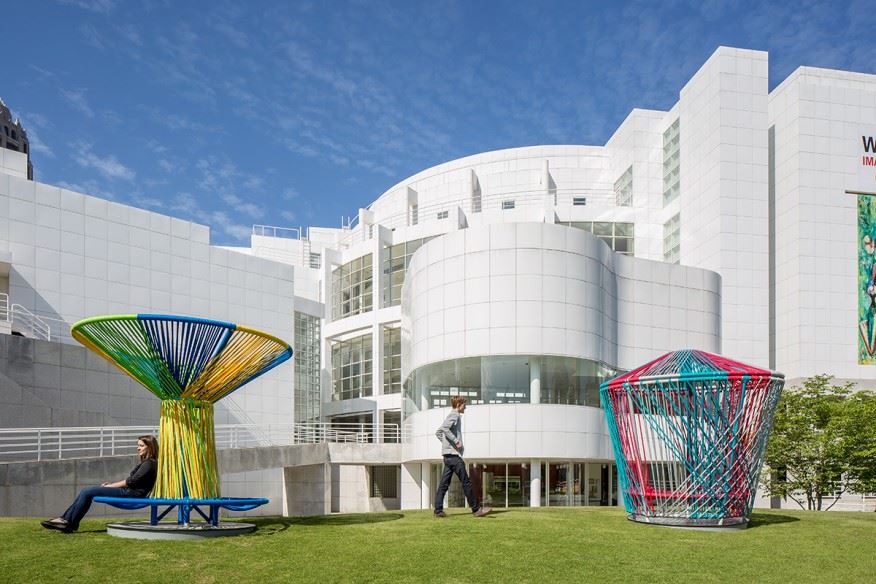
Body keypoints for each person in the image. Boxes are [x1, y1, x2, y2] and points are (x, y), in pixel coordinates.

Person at [41, 435, 158, 533]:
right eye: (138, 445)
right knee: (87, 492)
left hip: (132, 493)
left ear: (150, 447)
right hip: (131, 491)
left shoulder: (149, 463)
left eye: (141, 446)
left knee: (88, 491)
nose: (138, 448)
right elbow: (132, 480)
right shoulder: (148, 463)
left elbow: (131, 481)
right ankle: (67, 521)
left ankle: (68, 521)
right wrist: (111, 485)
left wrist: (110, 486)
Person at [434, 396, 491, 518]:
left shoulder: (452, 415)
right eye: (465, 404)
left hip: (448, 457)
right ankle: (476, 510)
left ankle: (438, 510)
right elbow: (444, 428)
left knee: (444, 484)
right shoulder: (454, 415)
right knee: (466, 482)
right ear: (459, 404)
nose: (466, 406)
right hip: (454, 457)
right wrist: (455, 441)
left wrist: (447, 444)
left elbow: (438, 432)